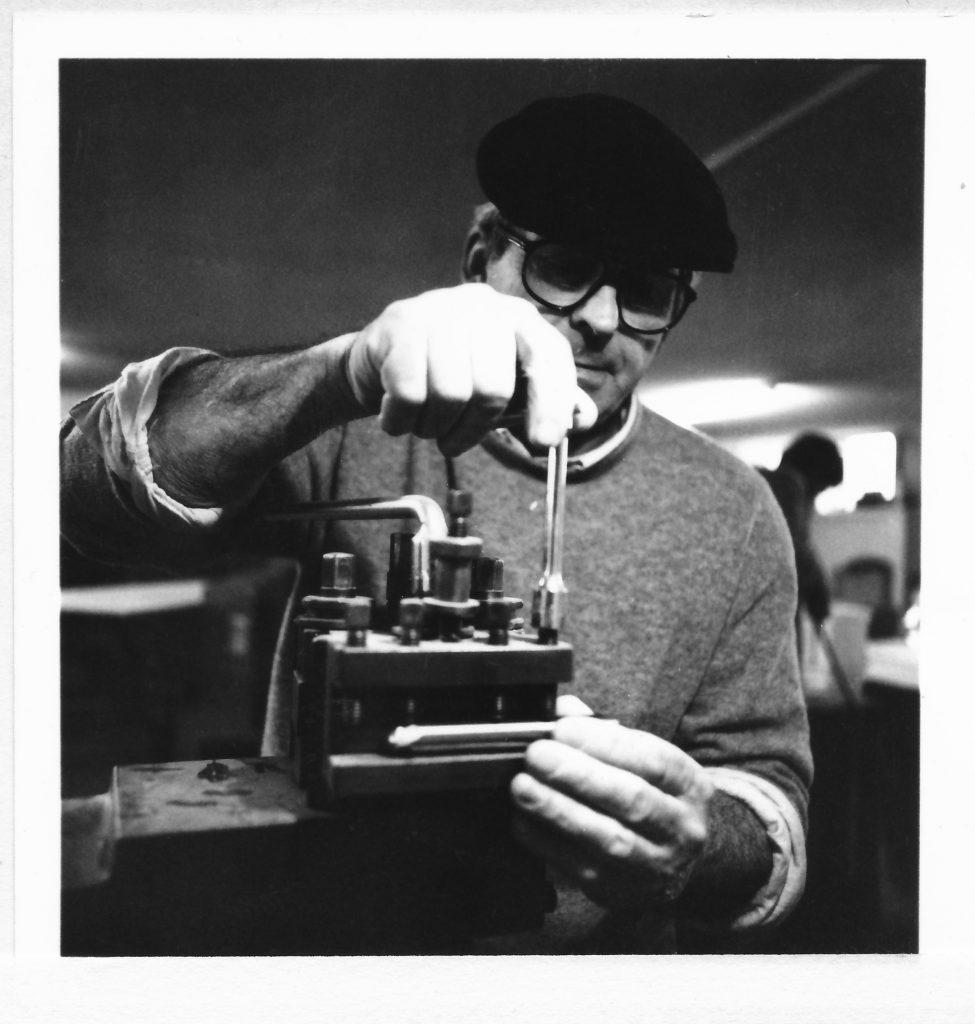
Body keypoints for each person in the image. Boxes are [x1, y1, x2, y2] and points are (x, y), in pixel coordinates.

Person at [60, 93, 812, 953]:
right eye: (564, 266)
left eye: (645, 291)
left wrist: (690, 841)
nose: (603, 321)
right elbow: (83, 495)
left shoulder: (736, 510)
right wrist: (342, 371)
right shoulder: (352, 429)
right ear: (479, 257)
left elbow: (768, 804)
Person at [761, 433, 844, 629]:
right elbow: (796, 548)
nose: (814, 497)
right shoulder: (788, 483)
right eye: (821, 488)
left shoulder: (769, 484)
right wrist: (819, 595)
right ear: (815, 473)